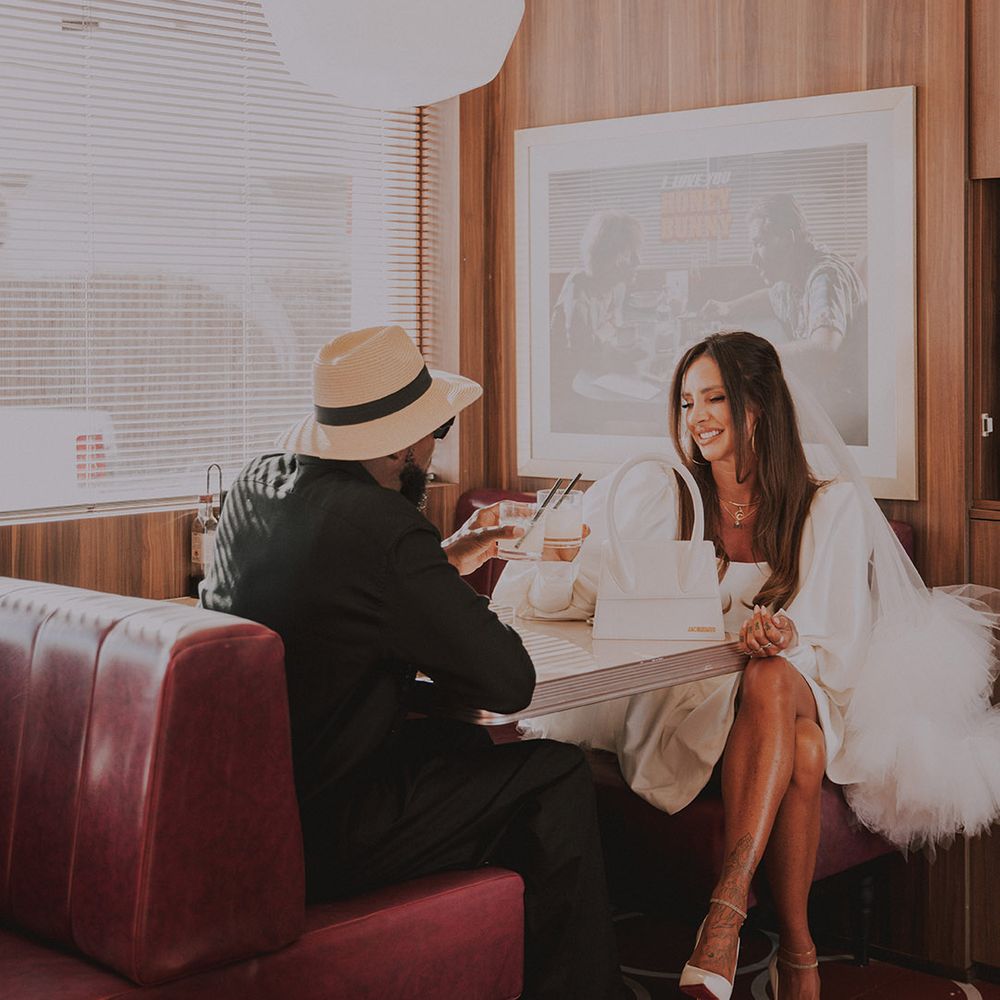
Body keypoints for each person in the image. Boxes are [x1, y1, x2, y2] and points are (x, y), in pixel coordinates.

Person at [494, 330, 1000, 1000]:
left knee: (773, 678)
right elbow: (584, 594)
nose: (696, 417)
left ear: (757, 406)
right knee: (804, 749)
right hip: (688, 706)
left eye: (714, 399)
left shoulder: (829, 505)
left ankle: (724, 915)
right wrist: (559, 553)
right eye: (686, 402)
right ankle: (798, 950)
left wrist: (784, 634)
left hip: (798, 684)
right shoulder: (671, 496)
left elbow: (836, 641)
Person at [201, 324, 628, 1000]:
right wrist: (434, 581)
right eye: (438, 432)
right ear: (401, 444)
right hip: (325, 828)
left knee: (468, 748)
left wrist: (441, 563)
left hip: (243, 810)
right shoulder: (384, 527)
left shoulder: (257, 485)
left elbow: (331, 599)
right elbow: (508, 681)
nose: (434, 449)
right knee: (555, 774)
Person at [700, 194, 868, 445]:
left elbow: (824, 350)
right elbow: (771, 296)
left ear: (788, 239)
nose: (753, 258)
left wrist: (746, 355)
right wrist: (727, 308)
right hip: (823, 405)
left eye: (759, 243)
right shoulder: (795, 274)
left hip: (842, 422)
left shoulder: (825, 277)